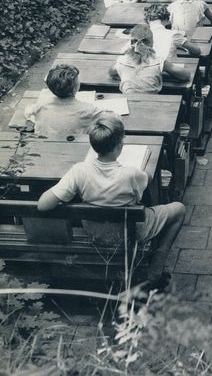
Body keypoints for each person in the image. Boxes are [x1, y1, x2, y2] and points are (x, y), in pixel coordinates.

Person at [37, 113, 186, 290]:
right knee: (179, 209)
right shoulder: (130, 173)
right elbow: (149, 178)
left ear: (93, 145)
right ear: (120, 144)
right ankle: (157, 263)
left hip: (95, 233)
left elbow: (42, 205)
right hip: (129, 234)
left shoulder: (79, 171)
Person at [24, 65, 103, 138]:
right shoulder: (87, 110)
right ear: (76, 88)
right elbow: (112, 118)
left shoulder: (42, 104)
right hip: (74, 147)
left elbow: (28, 111)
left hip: (43, 145)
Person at [109, 24, 190, 94]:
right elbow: (185, 75)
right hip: (152, 105)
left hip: (128, 104)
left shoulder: (122, 60)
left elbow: (111, 72)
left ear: (131, 43)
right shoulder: (157, 60)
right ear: (151, 42)